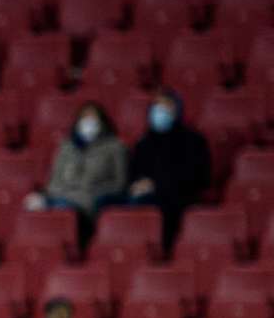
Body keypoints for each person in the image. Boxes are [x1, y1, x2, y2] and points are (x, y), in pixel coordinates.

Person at [26, 101, 126, 242]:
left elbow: (119, 184)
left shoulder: (115, 147)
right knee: (32, 205)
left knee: (60, 212)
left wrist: (92, 191)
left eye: (93, 118)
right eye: (84, 118)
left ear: (102, 121)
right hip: (60, 198)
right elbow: (54, 181)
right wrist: (53, 196)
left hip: (88, 205)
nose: (88, 122)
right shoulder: (66, 147)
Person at [126, 90, 211, 250]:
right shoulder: (144, 143)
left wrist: (156, 184)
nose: (160, 111)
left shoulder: (193, 141)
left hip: (181, 195)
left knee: (154, 205)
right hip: (145, 195)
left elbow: (197, 176)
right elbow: (133, 173)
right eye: (156, 106)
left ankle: (160, 253)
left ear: (177, 110)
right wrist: (136, 185)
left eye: (166, 106)